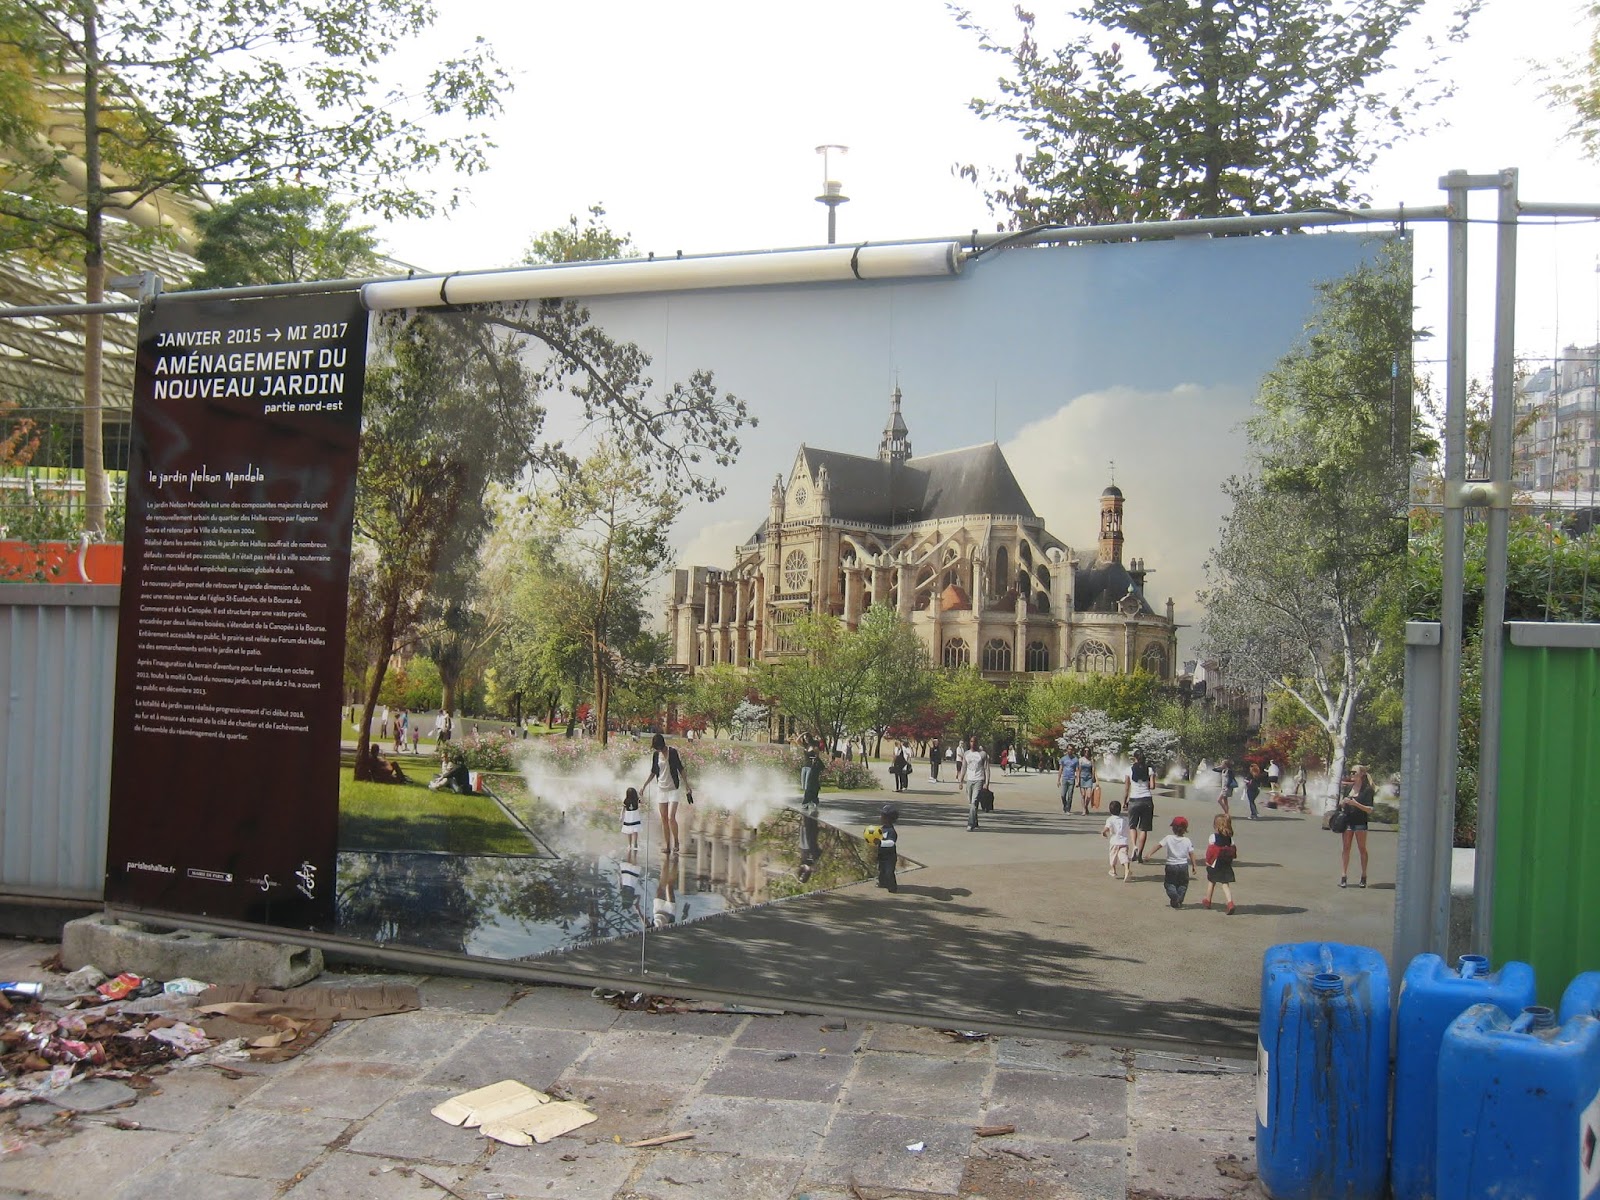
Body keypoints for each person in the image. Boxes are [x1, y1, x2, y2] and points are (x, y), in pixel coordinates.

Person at [642, 733, 693, 856]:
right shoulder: (656, 755)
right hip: (661, 789)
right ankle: (667, 845)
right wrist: (644, 786)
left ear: (662, 744)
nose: (657, 749)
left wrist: (687, 786)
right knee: (664, 818)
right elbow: (654, 772)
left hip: (673, 789)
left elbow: (680, 769)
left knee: (671, 817)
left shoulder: (673, 752)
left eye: (657, 747)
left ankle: (676, 842)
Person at [1338, 766, 1375, 888]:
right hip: (1348, 821)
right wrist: (1343, 803)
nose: (1352, 774)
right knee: (1346, 848)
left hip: (1360, 822)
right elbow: (1341, 804)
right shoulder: (1348, 787)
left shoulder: (1367, 790)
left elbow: (1369, 810)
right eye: (1351, 772)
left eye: (1355, 772)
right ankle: (1343, 875)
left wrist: (1356, 804)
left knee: (1362, 848)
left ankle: (1364, 875)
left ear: (1362, 774)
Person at [1157, 815, 1197, 909]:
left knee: (1169, 883)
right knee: (1183, 884)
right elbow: (1191, 854)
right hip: (1183, 865)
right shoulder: (1187, 840)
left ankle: (1174, 896)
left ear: (1173, 828)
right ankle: (1179, 898)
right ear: (1185, 829)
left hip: (1171, 865)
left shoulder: (1168, 838)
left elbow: (1158, 845)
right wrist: (1194, 865)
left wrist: (1149, 854)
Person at [1124, 750, 1156, 862]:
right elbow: (1152, 786)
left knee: (1132, 826)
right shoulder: (1149, 769)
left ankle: (1134, 846)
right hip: (1147, 800)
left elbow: (1127, 787)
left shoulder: (1129, 770)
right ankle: (1140, 855)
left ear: (1135, 758)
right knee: (1144, 828)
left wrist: (1125, 801)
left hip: (1134, 799)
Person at [1202, 813, 1238, 914]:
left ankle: (1208, 900)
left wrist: (1208, 861)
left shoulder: (1213, 837)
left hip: (1215, 863)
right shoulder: (1230, 839)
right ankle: (1230, 902)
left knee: (1211, 881)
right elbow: (1233, 850)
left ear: (1216, 825)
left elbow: (1210, 851)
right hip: (1226, 863)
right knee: (1225, 884)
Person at [957, 735, 991, 831]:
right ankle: (975, 822)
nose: (973, 743)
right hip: (969, 780)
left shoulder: (982, 754)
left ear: (977, 743)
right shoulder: (966, 754)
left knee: (974, 801)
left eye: (975, 742)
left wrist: (987, 782)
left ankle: (970, 823)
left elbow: (986, 769)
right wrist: (961, 780)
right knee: (971, 803)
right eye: (971, 741)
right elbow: (963, 767)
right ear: (969, 742)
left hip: (979, 780)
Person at [1102, 799, 1131, 881]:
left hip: (1114, 841)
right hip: (1124, 841)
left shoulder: (1110, 819)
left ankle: (1113, 870)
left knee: (1113, 856)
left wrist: (1103, 832)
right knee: (1123, 855)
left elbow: (1107, 827)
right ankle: (1126, 869)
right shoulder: (1125, 819)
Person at [876, 803, 900, 892]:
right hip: (882, 854)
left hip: (889, 857)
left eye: (882, 816)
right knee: (881, 869)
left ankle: (892, 887)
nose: (880, 817)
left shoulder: (891, 831)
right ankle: (882, 883)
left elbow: (891, 843)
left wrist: (880, 842)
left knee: (889, 872)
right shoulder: (882, 829)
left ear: (888, 819)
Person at [800, 737, 825, 809]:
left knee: (809, 785)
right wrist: (803, 734)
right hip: (805, 767)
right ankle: (813, 800)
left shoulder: (815, 747)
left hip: (812, 767)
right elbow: (797, 741)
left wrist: (815, 758)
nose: (805, 739)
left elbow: (817, 756)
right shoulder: (806, 746)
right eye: (804, 738)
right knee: (806, 785)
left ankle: (806, 802)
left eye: (806, 738)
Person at [1058, 746, 1080, 813]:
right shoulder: (1063, 759)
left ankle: (1068, 809)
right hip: (1065, 778)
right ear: (1067, 750)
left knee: (1070, 795)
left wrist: (1078, 781)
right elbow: (1060, 769)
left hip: (1071, 778)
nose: (1070, 750)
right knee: (1063, 795)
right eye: (1069, 749)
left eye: (1071, 749)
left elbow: (1077, 770)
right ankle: (1065, 805)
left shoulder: (1075, 759)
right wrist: (1058, 780)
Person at [621, 786, 643, 850]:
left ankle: (634, 844)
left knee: (634, 830)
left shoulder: (636, 799)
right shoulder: (626, 800)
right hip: (629, 816)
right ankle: (630, 844)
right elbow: (623, 808)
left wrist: (641, 796)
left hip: (634, 815)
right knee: (630, 830)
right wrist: (621, 815)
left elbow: (642, 802)